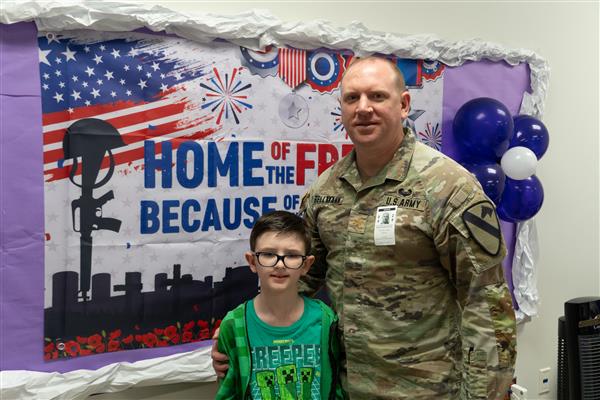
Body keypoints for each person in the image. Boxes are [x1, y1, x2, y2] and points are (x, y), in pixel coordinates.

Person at [214, 56, 517, 399]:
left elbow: (488, 304)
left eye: (377, 96)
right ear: (341, 109)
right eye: (352, 98)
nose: (363, 108)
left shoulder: (449, 187)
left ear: (403, 105)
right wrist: (244, 334)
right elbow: (302, 280)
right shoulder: (325, 191)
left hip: (428, 389)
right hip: (344, 386)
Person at [214, 210, 345, 400]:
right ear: (252, 262)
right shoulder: (234, 325)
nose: (280, 264)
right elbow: (228, 393)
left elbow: (336, 389)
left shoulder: (325, 320)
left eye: (292, 255)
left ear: (306, 265)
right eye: (268, 254)